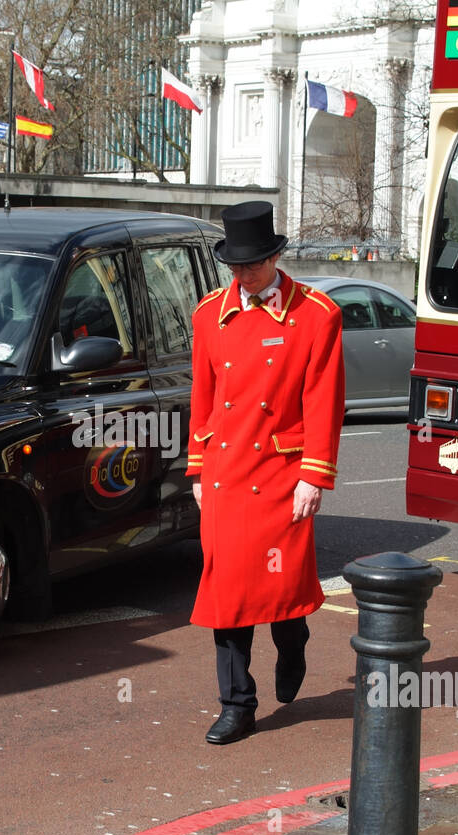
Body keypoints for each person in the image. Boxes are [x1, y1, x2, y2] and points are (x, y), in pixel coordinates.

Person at [185, 201, 346, 745]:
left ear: (276, 256)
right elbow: (202, 396)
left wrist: (314, 477)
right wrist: (198, 469)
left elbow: (325, 400)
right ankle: (237, 704)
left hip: (281, 473)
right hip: (227, 473)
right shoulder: (209, 313)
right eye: (236, 266)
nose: (244, 275)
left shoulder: (316, 315)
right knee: (226, 593)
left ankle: (293, 638)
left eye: (254, 264)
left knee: (280, 586)